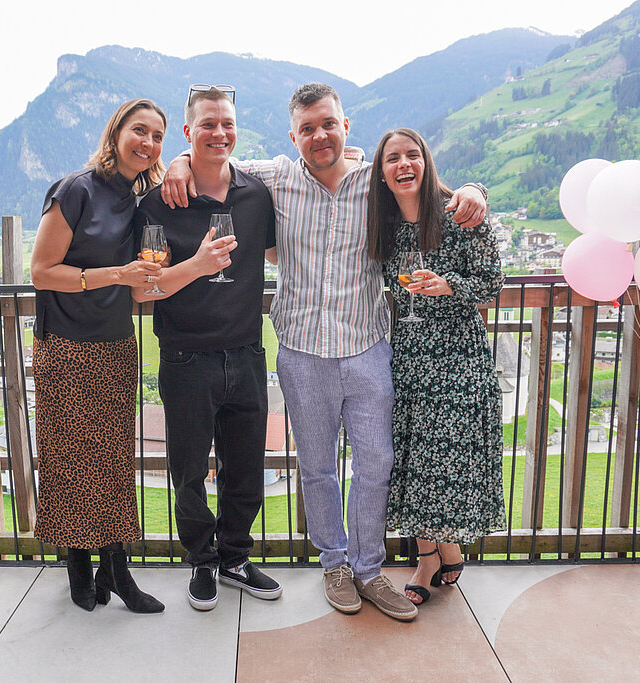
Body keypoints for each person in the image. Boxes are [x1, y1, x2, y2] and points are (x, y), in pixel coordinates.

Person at [163, 83, 487, 621]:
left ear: (345, 126)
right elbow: (213, 155)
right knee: (316, 468)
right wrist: (178, 160)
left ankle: (369, 570)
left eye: (328, 124)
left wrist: (474, 189)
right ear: (293, 136)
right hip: (302, 351)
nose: (319, 136)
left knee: (376, 463)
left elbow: (427, 182)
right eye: (307, 128)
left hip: (367, 348)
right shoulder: (276, 177)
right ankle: (334, 565)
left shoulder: (376, 182)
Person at [132, 85, 281, 611]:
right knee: (189, 471)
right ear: (189, 132)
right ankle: (202, 560)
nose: (220, 133)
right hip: (186, 358)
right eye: (208, 124)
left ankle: (235, 558)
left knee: (246, 468)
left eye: (227, 123)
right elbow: (144, 289)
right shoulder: (159, 203)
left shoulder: (256, 196)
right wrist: (197, 266)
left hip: (247, 353)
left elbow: (279, 252)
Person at [29, 98, 168, 614]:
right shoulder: (75, 190)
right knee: (70, 462)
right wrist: (118, 274)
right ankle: (78, 566)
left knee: (111, 463)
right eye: (139, 131)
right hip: (65, 347)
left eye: (157, 136)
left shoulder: (138, 199)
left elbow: (140, 281)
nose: (147, 143)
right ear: (116, 133)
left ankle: (115, 568)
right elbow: (41, 272)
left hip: (115, 346)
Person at [366, 127, 506, 605]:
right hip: (407, 357)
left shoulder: (460, 215)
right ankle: (435, 554)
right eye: (392, 158)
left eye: (412, 155)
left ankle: (438, 552)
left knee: (445, 462)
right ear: (381, 174)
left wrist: (449, 286)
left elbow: (492, 285)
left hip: (458, 357)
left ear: (426, 162)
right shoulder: (384, 225)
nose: (403, 164)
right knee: (412, 459)